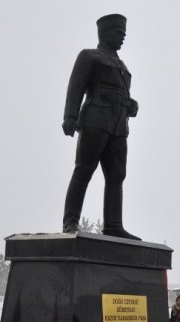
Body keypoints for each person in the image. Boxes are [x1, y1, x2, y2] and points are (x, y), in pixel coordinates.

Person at [62, 14, 140, 240]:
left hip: (119, 125)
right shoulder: (90, 56)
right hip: (95, 119)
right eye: (118, 33)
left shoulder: (123, 67)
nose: (122, 38)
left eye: (124, 34)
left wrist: (132, 105)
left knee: (117, 175)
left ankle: (113, 224)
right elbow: (75, 86)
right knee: (84, 169)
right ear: (104, 33)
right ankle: (70, 222)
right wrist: (70, 116)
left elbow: (123, 94)